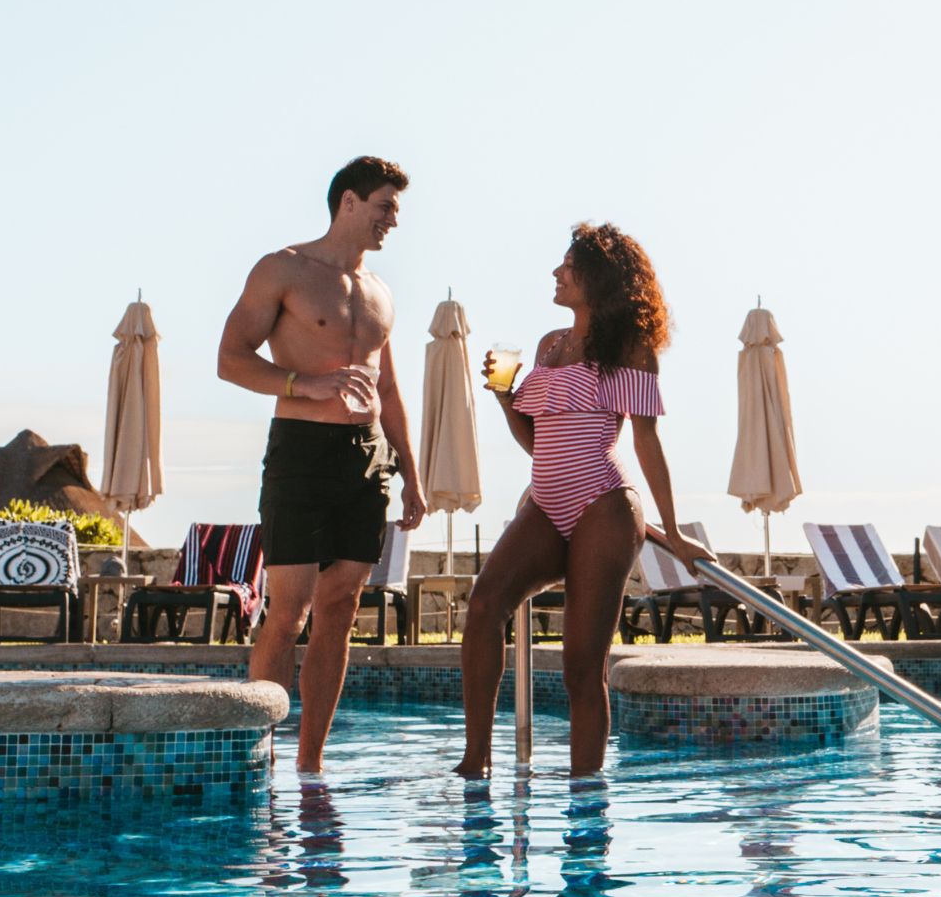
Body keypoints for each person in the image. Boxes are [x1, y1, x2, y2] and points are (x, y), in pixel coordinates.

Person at [455, 223, 710, 778]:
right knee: (484, 605)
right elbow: (537, 442)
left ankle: (586, 796)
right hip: (546, 502)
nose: (556, 273)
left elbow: (646, 441)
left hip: (605, 504)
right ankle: (476, 761)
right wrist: (504, 397)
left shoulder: (630, 349)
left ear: (599, 278)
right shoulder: (549, 345)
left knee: (580, 666)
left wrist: (673, 531)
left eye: (568, 266)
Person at [218, 155, 427, 773]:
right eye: (385, 207)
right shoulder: (283, 269)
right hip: (301, 451)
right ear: (349, 202)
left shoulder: (381, 293)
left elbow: (389, 390)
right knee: (289, 610)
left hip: (367, 459)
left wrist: (412, 474)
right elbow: (230, 359)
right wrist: (300, 384)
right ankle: (260, 758)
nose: (393, 221)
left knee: (341, 609)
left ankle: (311, 765)